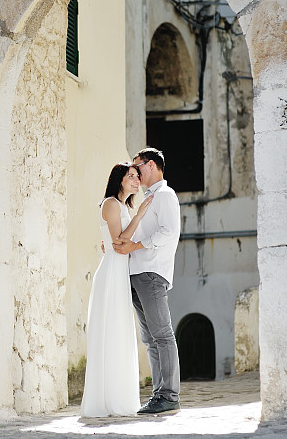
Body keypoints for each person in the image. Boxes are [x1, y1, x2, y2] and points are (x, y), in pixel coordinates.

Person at [81, 163, 154, 417]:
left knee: (120, 334)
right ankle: (106, 401)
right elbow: (119, 242)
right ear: (119, 180)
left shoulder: (124, 206)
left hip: (121, 272)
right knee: (110, 332)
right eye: (130, 176)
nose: (135, 180)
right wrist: (140, 214)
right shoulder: (111, 203)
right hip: (111, 272)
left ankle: (119, 399)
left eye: (137, 176)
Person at [113, 148, 181, 415]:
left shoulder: (165, 195)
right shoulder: (147, 199)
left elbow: (169, 232)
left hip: (152, 272)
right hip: (138, 273)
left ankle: (169, 395)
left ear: (150, 165)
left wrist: (137, 245)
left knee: (162, 335)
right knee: (151, 339)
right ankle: (158, 395)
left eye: (137, 166)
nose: (134, 172)